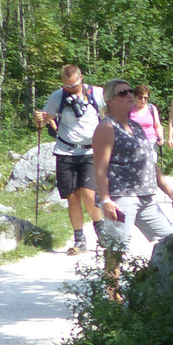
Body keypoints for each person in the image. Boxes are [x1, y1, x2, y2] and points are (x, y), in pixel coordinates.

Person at [92, 79, 173, 295]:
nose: (130, 95)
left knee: (170, 240)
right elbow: (100, 169)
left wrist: (169, 191)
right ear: (110, 100)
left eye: (131, 91)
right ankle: (112, 295)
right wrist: (105, 200)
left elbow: (150, 163)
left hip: (145, 197)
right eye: (124, 93)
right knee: (117, 248)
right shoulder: (106, 127)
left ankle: (167, 289)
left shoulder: (135, 126)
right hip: (121, 197)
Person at [34, 63, 107, 256]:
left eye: (74, 86)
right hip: (65, 152)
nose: (71, 90)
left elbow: (111, 112)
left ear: (81, 78)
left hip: (91, 152)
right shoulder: (58, 96)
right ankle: (79, 239)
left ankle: (102, 233)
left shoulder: (96, 93)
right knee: (72, 197)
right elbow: (45, 117)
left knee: (89, 195)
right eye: (67, 87)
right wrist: (39, 118)